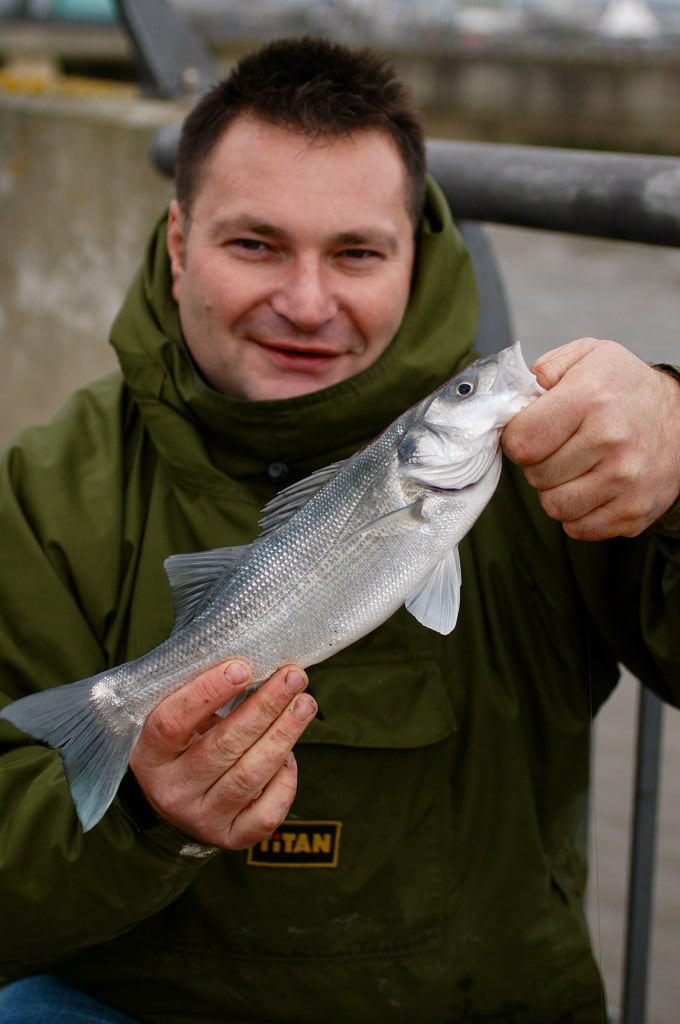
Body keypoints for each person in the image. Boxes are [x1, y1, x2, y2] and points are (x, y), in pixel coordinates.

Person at [0, 35, 678, 1024]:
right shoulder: (43, 488)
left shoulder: (565, 452)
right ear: (179, 244)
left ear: (417, 252)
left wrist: (679, 454)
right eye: (255, 244)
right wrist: (141, 813)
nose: (306, 303)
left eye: (356, 253)